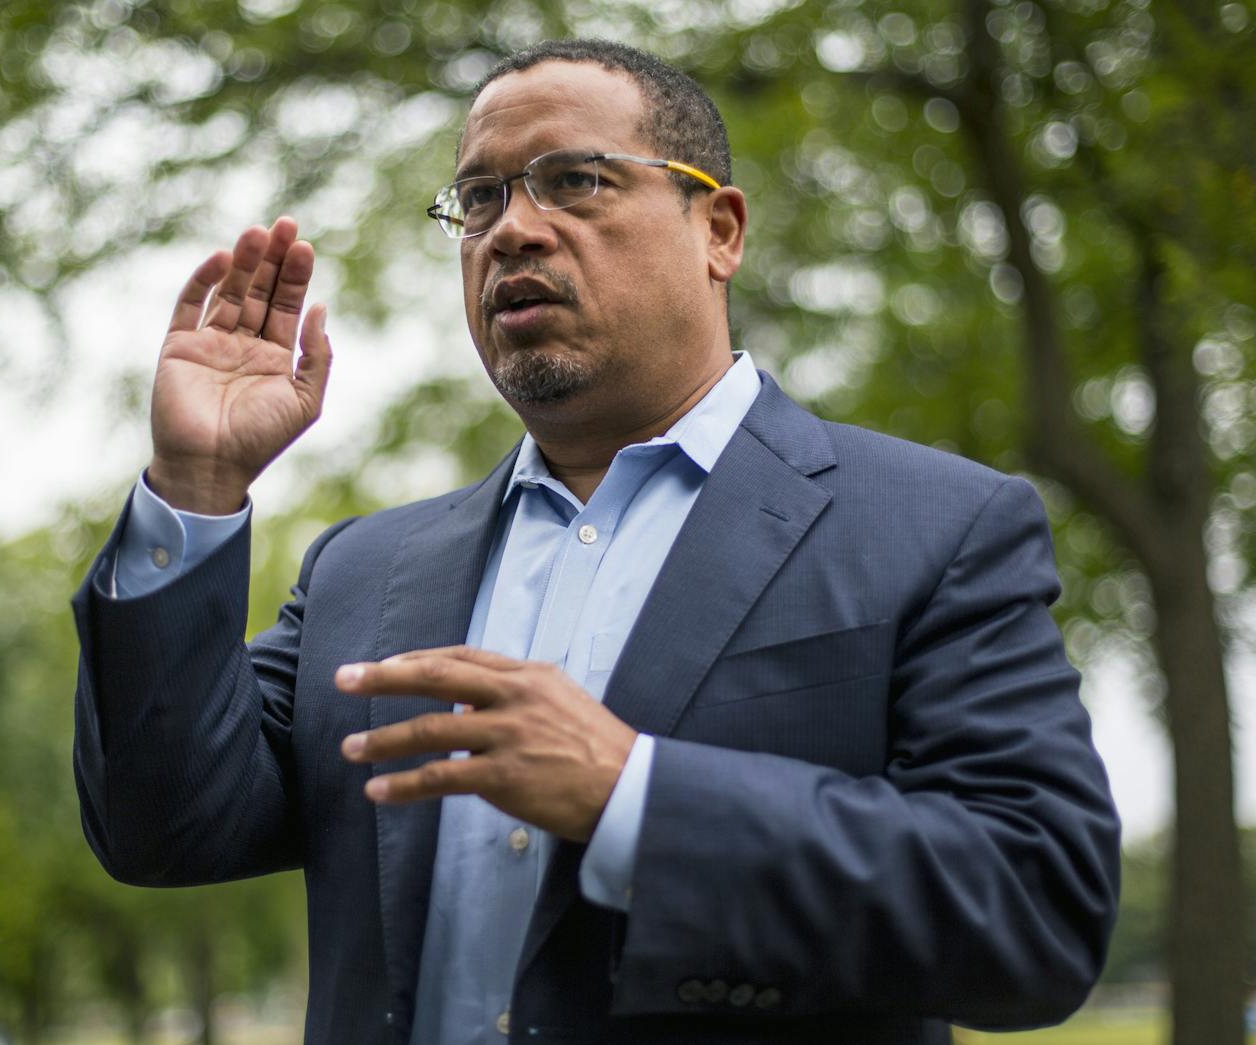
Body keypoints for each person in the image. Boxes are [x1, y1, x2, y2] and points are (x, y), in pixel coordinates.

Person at [71, 39, 1121, 1045]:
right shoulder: (364, 572)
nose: (510, 230)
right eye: (478, 198)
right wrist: (197, 485)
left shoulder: (935, 528)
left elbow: (1033, 912)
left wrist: (636, 795)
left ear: (718, 231)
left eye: (573, 180)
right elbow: (165, 828)